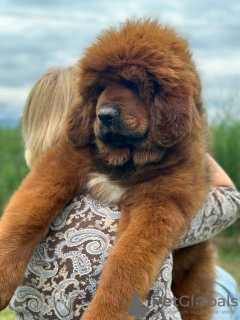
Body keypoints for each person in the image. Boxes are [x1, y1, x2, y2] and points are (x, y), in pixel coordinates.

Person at [8, 67, 240, 320]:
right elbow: (228, 198)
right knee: (224, 284)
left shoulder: (18, 222)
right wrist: (179, 140)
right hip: (140, 308)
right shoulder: (130, 217)